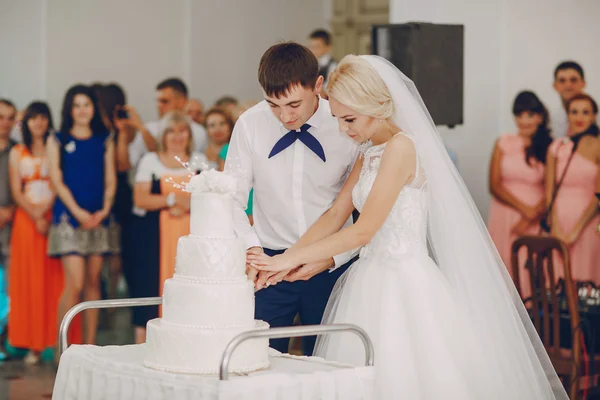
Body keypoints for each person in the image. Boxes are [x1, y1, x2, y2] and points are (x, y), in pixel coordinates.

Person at [248, 55, 567, 399]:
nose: (344, 129)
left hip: (405, 283)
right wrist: (285, 260)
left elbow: (363, 230)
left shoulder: (402, 148)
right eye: (339, 119)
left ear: (376, 105)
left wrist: (282, 261)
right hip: (368, 279)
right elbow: (335, 213)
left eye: (350, 119)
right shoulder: (369, 151)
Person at [224, 42, 359, 355]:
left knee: (328, 363)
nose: (284, 116)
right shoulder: (249, 124)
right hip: (270, 267)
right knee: (257, 360)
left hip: (332, 266)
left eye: (294, 105)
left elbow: (360, 208)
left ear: (318, 86)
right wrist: (251, 248)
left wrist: (333, 258)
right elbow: (231, 197)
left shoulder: (346, 124)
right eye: (273, 105)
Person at [487, 91, 551, 297]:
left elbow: (553, 189)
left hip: (534, 219)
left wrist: (534, 214)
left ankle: (530, 323)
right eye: (519, 115)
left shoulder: (549, 147)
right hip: (504, 215)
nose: (524, 121)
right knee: (502, 269)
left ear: (540, 117)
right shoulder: (503, 142)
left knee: (528, 272)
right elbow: (494, 185)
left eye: (530, 115)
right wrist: (524, 209)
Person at [551, 61, 586, 137]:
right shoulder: (552, 121)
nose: (568, 85)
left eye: (573, 80)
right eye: (562, 80)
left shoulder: (597, 115)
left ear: (583, 83)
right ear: (555, 86)